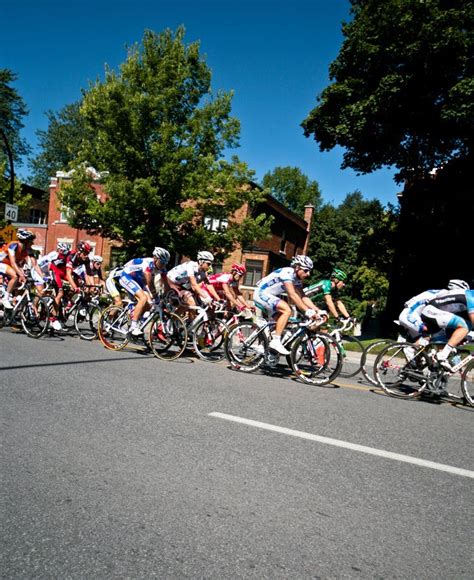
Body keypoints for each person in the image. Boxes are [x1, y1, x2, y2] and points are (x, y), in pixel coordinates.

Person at [252, 255, 325, 355]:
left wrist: (317, 310)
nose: (308, 274)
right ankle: (276, 341)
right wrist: (307, 311)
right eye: (306, 270)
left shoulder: (297, 279)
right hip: (261, 293)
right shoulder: (287, 273)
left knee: (285, 320)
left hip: (270, 296)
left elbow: (303, 297)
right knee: (287, 310)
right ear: (298, 267)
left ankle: (264, 344)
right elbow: (292, 294)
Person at [420, 280, 474, 369]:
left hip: (437, 313)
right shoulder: (471, 297)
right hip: (432, 311)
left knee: (443, 347)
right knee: (465, 326)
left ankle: (431, 375)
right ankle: (443, 354)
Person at [118, 246, 170, 336]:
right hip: (126, 276)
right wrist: (156, 296)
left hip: (138, 280)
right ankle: (133, 327)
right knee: (143, 298)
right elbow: (150, 283)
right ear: (155, 258)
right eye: (162, 262)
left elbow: (166, 285)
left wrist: (168, 296)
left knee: (150, 304)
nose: (163, 265)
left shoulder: (162, 268)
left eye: (165, 263)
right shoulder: (148, 263)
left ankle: (137, 317)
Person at [166, 251, 217, 318]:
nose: (209, 266)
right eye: (208, 264)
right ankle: (172, 320)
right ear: (201, 262)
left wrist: (217, 299)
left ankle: (186, 322)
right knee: (191, 302)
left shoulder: (201, 271)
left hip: (180, 285)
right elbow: (194, 284)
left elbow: (208, 284)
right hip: (170, 282)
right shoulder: (191, 266)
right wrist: (206, 297)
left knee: (196, 304)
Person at [0, 229, 36, 308]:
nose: (32, 243)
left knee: (21, 281)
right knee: (15, 276)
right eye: (31, 241)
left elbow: (22, 264)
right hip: (1, 263)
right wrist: (21, 274)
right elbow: (13, 263)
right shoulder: (13, 245)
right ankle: (5, 298)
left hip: (7, 265)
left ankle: (12, 300)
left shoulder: (25, 250)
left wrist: (24, 274)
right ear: (25, 241)